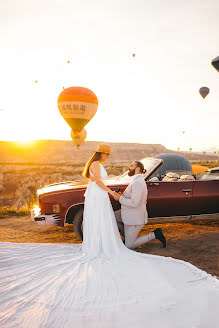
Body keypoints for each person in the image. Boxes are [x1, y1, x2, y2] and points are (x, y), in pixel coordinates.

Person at [0, 144, 219, 328]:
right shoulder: (117, 172)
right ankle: (103, 238)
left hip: (122, 205)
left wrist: (115, 194)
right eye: (107, 154)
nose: (109, 157)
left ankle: (131, 236)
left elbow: (130, 197)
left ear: (138, 170)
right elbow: (100, 182)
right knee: (109, 220)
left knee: (124, 238)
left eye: (133, 166)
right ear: (102, 155)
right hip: (102, 195)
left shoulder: (140, 181)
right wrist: (113, 192)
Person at [113, 161, 166, 249]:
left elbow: (134, 203)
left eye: (131, 166)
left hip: (134, 218)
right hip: (128, 213)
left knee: (129, 246)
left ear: (137, 169)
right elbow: (132, 197)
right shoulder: (135, 180)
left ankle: (155, 234)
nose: (129, 168)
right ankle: (128, 238)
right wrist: (121, 195)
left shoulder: (138, 182)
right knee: (113, 217)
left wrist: (119, 198)